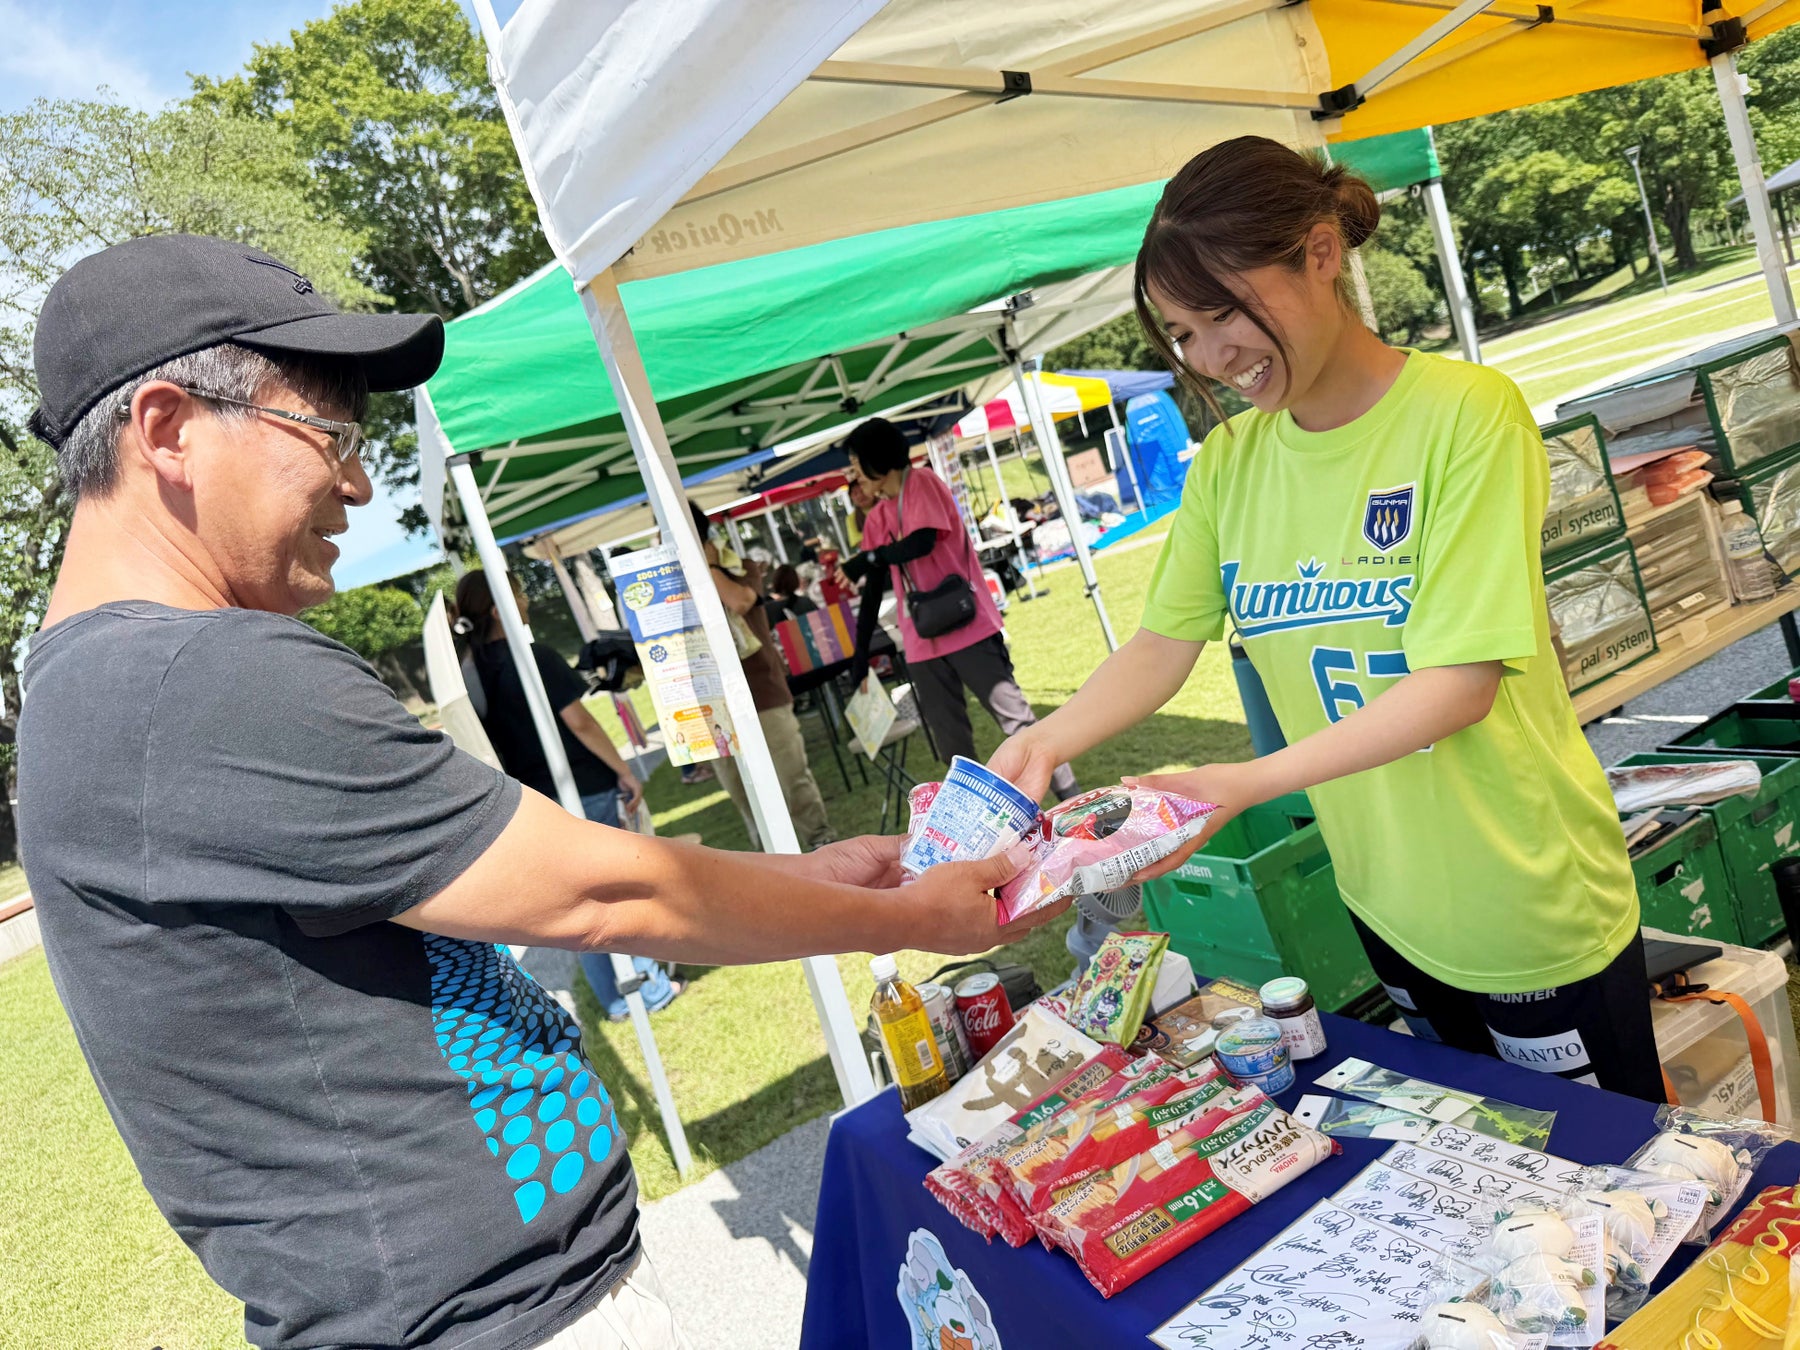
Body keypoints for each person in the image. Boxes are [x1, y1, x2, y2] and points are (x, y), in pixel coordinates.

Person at [14, 235, 1065, 1350]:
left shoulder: (107, 687)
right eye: (330, 436)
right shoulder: (199, 678)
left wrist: (813, 874)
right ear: (169, 430)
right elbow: (602, 895)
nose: (357, 484)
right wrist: (905, 918)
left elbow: (544, 879)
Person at [989, 136, 1659, 1101]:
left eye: (1224, 312)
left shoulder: (1467, 416)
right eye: (1182, 333)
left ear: (1320, 252)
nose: (1211, 357)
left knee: (1609, 1169)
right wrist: (1045, 740)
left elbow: (1458, 686)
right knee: (1478, 1150)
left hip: (1526, 901)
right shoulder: (1229, 465)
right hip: (1385, 903)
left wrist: (1238, 784)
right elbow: (1161, 645)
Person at [453, 569, 681, 1024]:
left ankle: (617, 998)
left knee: (578, 900)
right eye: (519, 594)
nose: (526, 602)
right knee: (618, 889)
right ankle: (650, 988)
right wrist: (623, 770)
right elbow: (580, 722)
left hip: (533, 803)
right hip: (583, 788)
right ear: (498, 608)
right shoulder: (534, 657)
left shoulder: (470, 674)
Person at [842, 418, 1077, 802]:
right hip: (921, 644)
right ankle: (973, 826)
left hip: (968, 628)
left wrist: (869, 558)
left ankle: (1073, 800)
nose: (854, 475)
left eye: (856, 464)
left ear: (877, 460)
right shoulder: (878, 518)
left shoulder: (922, 483)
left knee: (1018, 723)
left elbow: (921, 542)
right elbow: (871, 591)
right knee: (952, 748)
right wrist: (860, 655)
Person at [689, 501, 835, 850]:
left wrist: (708, 565)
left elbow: (740, 602)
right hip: (711, 703)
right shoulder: (672, 586)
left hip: (762, 690)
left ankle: (821, 842)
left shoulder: (740, 567)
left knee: (791, 776)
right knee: (739, 790)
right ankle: (768, 857)